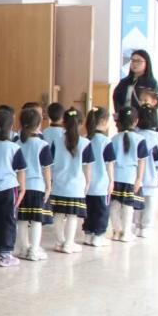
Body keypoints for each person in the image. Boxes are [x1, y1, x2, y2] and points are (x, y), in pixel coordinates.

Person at [0, 108, 26, 266]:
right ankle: (6, 254)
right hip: (9, 188)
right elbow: (21, 170)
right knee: (9, 220)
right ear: (10, 127)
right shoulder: (13, 147)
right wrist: (22, 189)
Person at [48, 109, 92, 254]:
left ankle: (60, 242)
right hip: (76, 186)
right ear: (81, 123)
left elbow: (51, 164)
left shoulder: (56, 142)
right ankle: (68, 243)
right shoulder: (85, 143)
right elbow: (87, 167)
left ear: (64, 123)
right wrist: (88, 182)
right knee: (73, 216)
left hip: (58, 185)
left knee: (58, 214)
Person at [16, 107, 54, 262]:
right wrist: (48, 186)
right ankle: (34, 249)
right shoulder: (42, 145)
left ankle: (23, 248)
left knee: (22, 219)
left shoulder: (17, 143)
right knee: (37, 220)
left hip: (20, 187)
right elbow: (46, 168)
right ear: (39, 125)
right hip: (37, 187)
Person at [109, 107, 147, 243]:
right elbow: (142, 161)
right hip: (130, 178)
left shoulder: (113, 139)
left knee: (114, 205)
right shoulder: (140, 139)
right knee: (128, 206)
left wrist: (110, 179)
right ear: (136, 121)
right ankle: (126, 232)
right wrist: (139, 179)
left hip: (115, 177)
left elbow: (110, 162)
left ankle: (116, 231)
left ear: (119, 122)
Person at [83, 108, 116, 247]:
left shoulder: (85, 139)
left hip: (86, 184)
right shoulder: (106, 141)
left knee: (89, 210)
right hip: (101, 184)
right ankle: (99, 236)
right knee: (102, 211)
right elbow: (109, 164)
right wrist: (111, 180)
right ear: (103, 121)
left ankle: (88, 234)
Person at [134, 106, 158, 239]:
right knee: (150, 204)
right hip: (152, 178)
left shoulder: (135, 136)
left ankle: (136, 226)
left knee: (136, 202)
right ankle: (146, 227)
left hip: (136, 177)